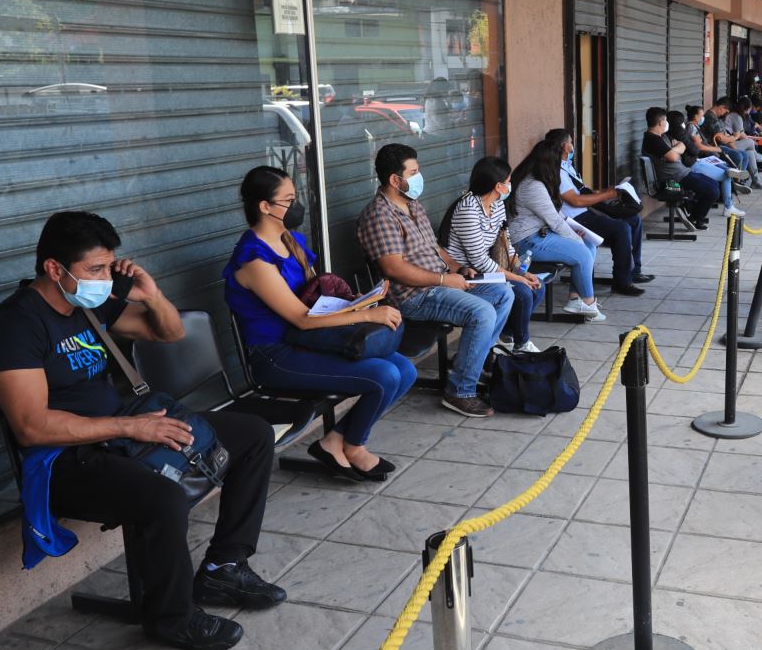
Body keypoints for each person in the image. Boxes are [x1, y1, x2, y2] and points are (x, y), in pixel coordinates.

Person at [0, 211, 283, 650]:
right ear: (53, 269)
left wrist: (152, 295)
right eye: (94, 270)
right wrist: (133, 426)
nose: (105, 278)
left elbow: (171, 332)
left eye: (108, 267)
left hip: (124, 434)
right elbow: (31, 427)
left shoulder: (90, 304)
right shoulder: (13, 327)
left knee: (252, 435)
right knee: (161, 498)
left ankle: (224, 567)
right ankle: (170, 619)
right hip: (65, 460)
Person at [225, 166, 415, 482]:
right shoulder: (254, 260)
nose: (296, 205)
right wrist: (367, 315)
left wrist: (359, 300)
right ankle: (354, 446)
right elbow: (301, 317)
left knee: (405, 370)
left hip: (310, 339)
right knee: (384, 375)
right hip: (277, 354)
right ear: (265, 206)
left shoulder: (291, 240)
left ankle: (335, 440)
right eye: (288, 200)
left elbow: (315, 298)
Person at [357, 143, 514, 418]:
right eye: (414, 172)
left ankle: (470, 363)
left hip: (440, 283)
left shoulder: (412, 205)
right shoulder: (379, 215)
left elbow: (435, 248)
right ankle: (460, 390)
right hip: (413, 296)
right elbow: (395, 269)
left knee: (503, 292)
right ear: (395, 180)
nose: (420, 177)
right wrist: (444, 279)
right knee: (482, 311)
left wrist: (458, 267)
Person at [443, 156, 546, 354]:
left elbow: (505, 244)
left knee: (536, 287)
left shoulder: (497, 204)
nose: (510, 185)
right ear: (498, 186)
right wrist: (517, 278)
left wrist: (522, 271)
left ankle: (505, 336)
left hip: (488, 269)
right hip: (468, 273)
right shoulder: (468, 209)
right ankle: (521, 344)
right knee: (523, 292)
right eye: (508, 182)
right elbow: (479, 261)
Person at [546, 127, 653, 296]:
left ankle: (634, 270)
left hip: (585, 212)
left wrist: (605, 191)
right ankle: (622, 281)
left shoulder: (567, 166)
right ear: (566, 146)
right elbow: (575, 200)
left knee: (633, 219)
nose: (573, 146)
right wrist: (606, 195)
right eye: (571, 143)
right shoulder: (557, 171)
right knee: (621, 229)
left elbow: (583, 190)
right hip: (575, 218)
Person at [508, 138, 606, 321]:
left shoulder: (540, 181)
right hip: (526, 241)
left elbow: (556, 214)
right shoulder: (532, 186)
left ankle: (575, 300)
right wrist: (574, 240)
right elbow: (554, 220)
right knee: (583, 252)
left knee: (589, 245)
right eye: (557, 163)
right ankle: (589, 303)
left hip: (540, 234)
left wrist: (574, 233)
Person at [647, 107, 745, 223]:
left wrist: (675, 149)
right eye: (665, 120)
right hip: (674, 177)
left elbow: (681, 147)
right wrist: (676, 150)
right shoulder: (653, 140)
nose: (666, 123)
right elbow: (675, 156)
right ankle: (696, 218)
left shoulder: (661, 137)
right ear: (660, 122)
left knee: (714, 185)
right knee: (712, 191)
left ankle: (694, 213)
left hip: (681, 172)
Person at [702, 97, 762, 188]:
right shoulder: (711, 118)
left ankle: (745, 181)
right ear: (721, 107)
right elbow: (721, 139)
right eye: (725, 111)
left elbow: (724, 135)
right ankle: (739, 180)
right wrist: (734, 137)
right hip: (717, 146)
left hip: (724, 144)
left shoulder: (716, 117)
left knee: (747, 153)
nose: (725, 114)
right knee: (746, 148)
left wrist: (730, 138)